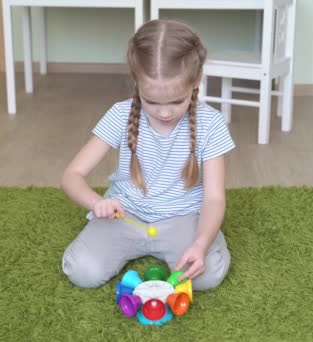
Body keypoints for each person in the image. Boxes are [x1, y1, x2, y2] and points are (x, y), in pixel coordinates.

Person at [61, 19, 235, 291]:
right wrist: (96, 202)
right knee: (82, 270)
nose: (165, 113)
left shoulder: (211, 123)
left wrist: (200, 244)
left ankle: (202, 242)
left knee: (207, 274)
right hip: (125, 216)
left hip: (183, 217)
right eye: (152, 102)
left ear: (197, 80)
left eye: (177, 101)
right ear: (137, 82)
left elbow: (214, 197)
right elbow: (72, 176)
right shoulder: (120, 114)